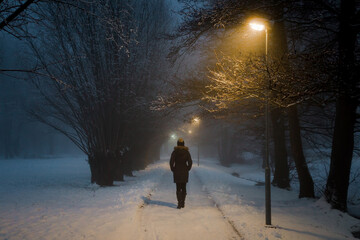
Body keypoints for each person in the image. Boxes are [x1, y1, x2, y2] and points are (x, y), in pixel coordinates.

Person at [170, 138, 193, 209]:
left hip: (177, 171)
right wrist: (188, 168)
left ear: (177, 144)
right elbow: (190, 162)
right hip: (184, 171)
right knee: (184, 187)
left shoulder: (175, 152)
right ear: (183, 144)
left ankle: (179, 202)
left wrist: (173, 169)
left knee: (178, 187)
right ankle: (183, 202)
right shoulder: (187, 152)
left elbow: (171, 162)